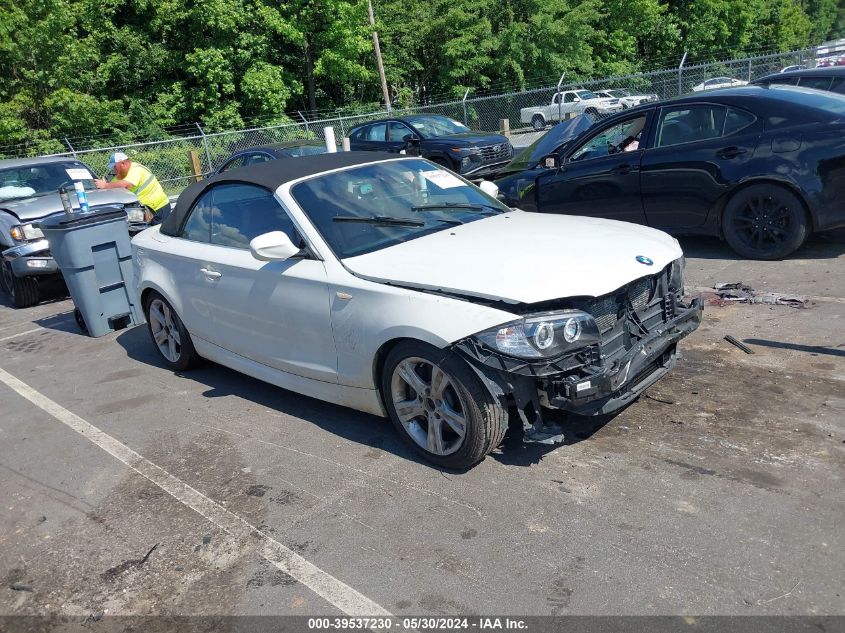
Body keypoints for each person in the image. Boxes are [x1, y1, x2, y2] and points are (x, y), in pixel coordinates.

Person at [94, 152, 171, 223]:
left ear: (122, 164)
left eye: (115, 167)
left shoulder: (136, 169)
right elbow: (113, 186)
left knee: (157, 233)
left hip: (158, 208)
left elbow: (127, 185)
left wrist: (105, 186)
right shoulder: (121, 174)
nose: (113, 170)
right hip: (143, 210)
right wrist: (106, 185)